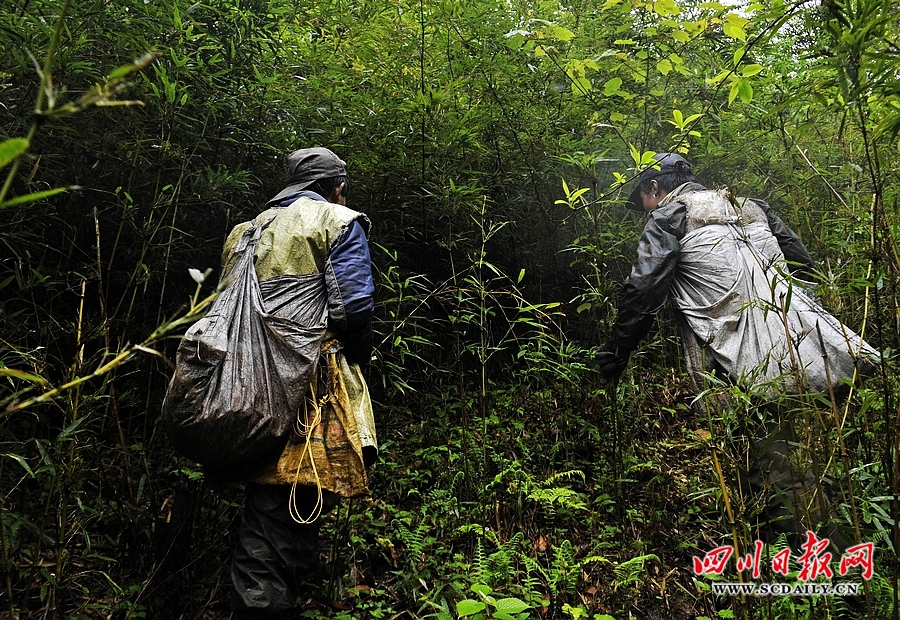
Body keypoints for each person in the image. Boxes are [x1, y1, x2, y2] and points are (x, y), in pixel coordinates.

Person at [595, 152, 877, 548]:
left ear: (654, 188)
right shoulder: (750, 207)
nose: (642, 210)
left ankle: (837, 580)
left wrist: (617, 355)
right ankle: (771, 560)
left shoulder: (668, 217)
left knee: (779, 471)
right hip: (790, 353)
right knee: (764, 458)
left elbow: (642, 293)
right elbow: (805, 268)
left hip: (737, 367)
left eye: (641, 200)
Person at [220, 147, 377, 619]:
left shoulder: (244, 231)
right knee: (282, 504)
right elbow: (354, 311)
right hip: (306, 388)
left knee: (277, 497)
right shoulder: (336, 220)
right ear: (337, 186)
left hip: (242, 383)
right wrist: (356, 361)